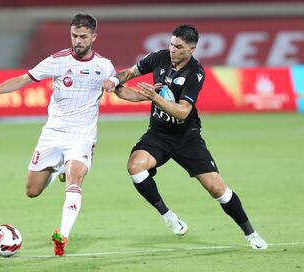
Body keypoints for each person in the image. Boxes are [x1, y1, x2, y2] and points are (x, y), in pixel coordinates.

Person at [102, 24, 268, 250]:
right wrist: (114, 82)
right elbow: (129, 74)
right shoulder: (159, 58)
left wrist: (153, 96)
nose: (172, 50)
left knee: (216, 189)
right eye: (171, 44)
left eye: (178, 47)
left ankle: (251, 234)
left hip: (186, 138)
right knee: (135, 167)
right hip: (158, 135)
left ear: (191, 50)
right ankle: (168, 216)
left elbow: (182, 111)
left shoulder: (195, 72)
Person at [0, 13, 117, 256]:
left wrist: (141, 93)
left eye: (82, 36)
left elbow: (120, 87)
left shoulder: (104, 66)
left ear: (93, 37)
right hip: (53, 134)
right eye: (74, 36)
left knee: (75, 179)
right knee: (32, 191)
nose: (77, 41)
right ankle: (58, 168)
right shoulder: (58, 60)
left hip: (82, 135)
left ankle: (63, 235)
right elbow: (23, 79)